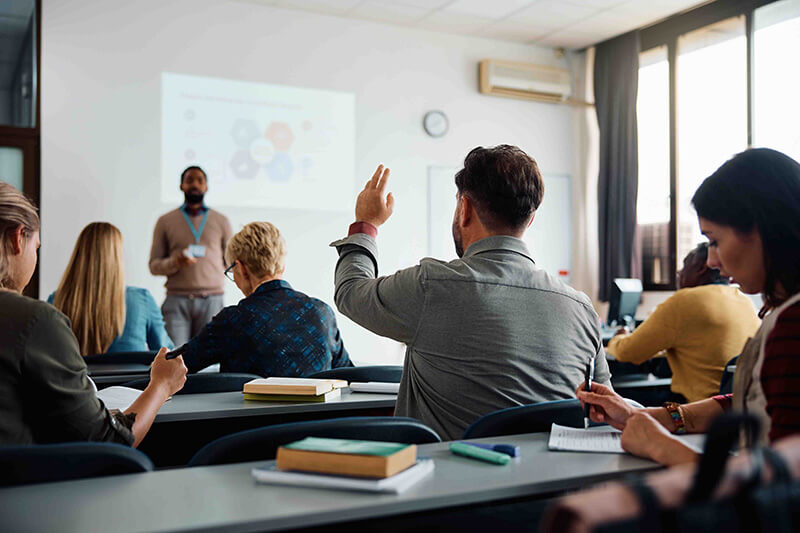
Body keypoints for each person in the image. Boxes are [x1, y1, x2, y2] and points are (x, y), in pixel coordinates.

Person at [330, 145, 611, 440]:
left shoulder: (432, 286)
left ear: (465, 209)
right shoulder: (582, 309)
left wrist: (367, 224)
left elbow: (350, 292)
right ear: (530, 219)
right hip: (551, 483)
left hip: (444, 483)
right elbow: (605, 410)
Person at [578, 148, 800, 465]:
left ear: (761, 229)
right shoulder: (774, 310)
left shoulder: (793, 324)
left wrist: (662, 447)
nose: (711, 260)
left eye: (714, 240)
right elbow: (752, 403)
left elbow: (781, 488)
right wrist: (647, 416)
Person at [0, 182, 186, 446]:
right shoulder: (36, 320)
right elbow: (108, 439)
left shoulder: (56, 301)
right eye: (37, 247)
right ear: (18, 239)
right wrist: (162, 386)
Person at [180, 221, 352, 376]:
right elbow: (348, 373)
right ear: (282, 265)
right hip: (318, 412)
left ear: (240, 269)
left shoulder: (232, 320)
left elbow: (176, 366)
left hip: (250, 412)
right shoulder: (322, 314)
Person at [606, 242, 760, 402]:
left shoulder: (685, 300)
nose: (679, 272)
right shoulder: (745, 300)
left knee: (620, 397)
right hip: (736, 405)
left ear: (701, 268)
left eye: (685, 265)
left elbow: (628, 353)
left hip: (696, 408)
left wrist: (618, 338)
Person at [48, 222, 173, 356]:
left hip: (78, 378)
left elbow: (47, 355)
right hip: (130, 377)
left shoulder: (56, 301)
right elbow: (168, 354)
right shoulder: (142, 300)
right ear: (116, 257)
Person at [149, 166, 233, 345]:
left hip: (212, 301)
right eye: (189, 180)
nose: (194, 184)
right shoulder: (165, 221)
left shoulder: (221, 221)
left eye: (200, 180)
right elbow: (154, 265)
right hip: (177, 301)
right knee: (174, 358)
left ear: (206, 187)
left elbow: (232, 262)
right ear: (181, 185)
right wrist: (175, 262)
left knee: (210, 364)